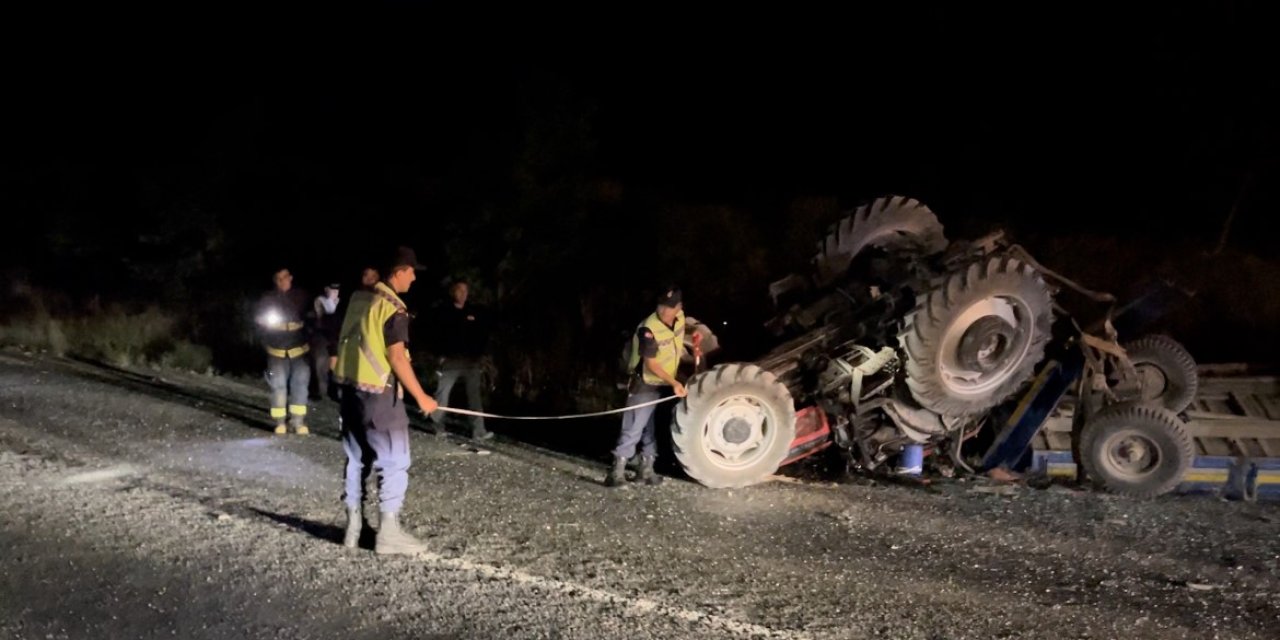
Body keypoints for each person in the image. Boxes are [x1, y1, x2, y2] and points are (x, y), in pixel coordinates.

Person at [332, 246, 438, 555]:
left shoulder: (358, 298)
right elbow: (396, 357)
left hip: (349, 390)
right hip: (379, 396)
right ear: (399, 271)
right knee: (395, 460)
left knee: (356, 458)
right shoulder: (394, 307)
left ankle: (353, 529)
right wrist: (422, 397)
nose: (414, 277)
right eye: (412, 270)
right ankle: (389, 534)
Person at [606, 286, 689, 487]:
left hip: (660, 383)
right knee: (634, 425)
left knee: (648, 427)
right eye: (660, 305)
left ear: (678, 307)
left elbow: (680, 336)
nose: (663, 310)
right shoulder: (649, 329)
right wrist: (675, 383)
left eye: (669, 307)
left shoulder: (681, 319)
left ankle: (646, 468)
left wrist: (696, 339)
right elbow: (651, 364)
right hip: (644, 382)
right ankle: (616, 472)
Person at [428, 277, 493, 440]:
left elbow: (481, 335)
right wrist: (439, 356)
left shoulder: (473, 312)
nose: (463, 294)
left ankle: (478, 430)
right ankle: (437, 425)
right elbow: (435, 335)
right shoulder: (444, 312)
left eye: (465, 291)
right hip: (450, 361)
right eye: (459, 290)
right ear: (453, 292)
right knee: (442, 394)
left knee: (474, 396)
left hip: (470, 362)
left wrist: (480, 356)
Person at [254, 267, 312, 435]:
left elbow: (312, 319)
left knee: (300, 385)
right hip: (276, 349)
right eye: (279, 278)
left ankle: (298, 421)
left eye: (285, 277)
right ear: (275, 280)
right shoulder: (267, 299)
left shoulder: (301, 296)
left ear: (291, 278)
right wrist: (264, 339)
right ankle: (280, 422)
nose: (282, 281)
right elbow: (259, 323)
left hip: (299, 348)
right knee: (278, 386)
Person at [309, 283, 342, 400]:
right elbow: (320, 316)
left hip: (336, 338)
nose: (334, 292)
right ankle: (321, 390)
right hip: (322, 336)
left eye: (336, 290)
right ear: (326, 290)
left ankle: (335, 391)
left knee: (336, 366)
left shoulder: (340, 303)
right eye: (332, 290)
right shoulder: (320, 301)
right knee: (321, 364)